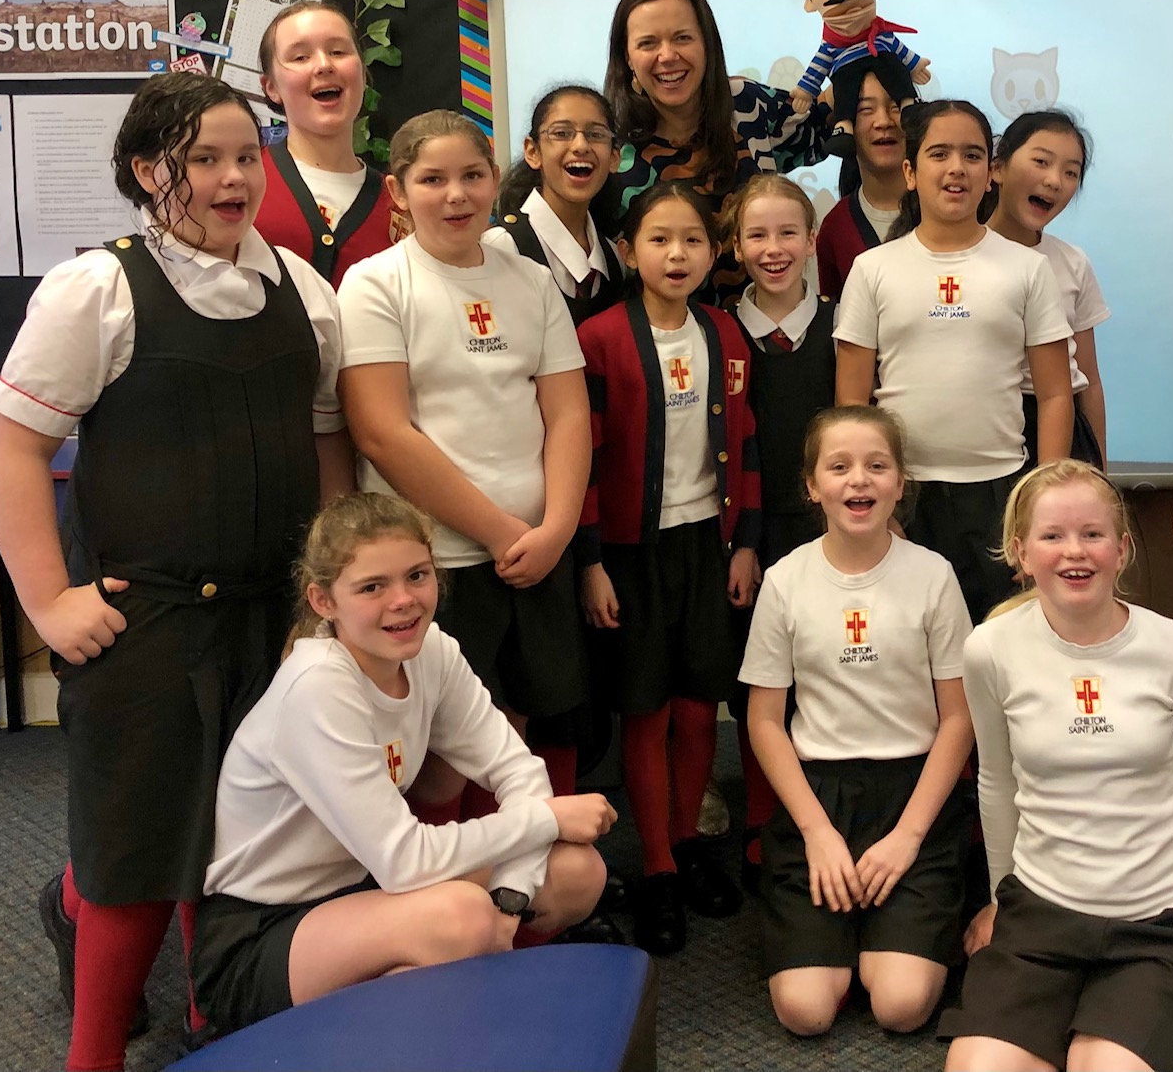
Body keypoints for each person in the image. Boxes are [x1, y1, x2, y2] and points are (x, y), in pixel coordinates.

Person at [0, 71, 351, 1071]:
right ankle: (94, 1051)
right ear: (150, 171)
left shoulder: (302, 290)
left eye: (246, 157)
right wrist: (48, 602)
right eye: (203, 159)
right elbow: (13, 446)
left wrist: (328, 596)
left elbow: (328, 442)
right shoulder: (95, 290)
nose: (234, 179)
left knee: (244, 836)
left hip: (271, 617)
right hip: (142, 619)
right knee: (137, 846)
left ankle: (209, 1015)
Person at [194, 492, 613, 1038]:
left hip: (365, 891)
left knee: (576, 874)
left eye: (417, 575)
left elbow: (519, 771)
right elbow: (406, 862)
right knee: (461, 918)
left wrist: (511, 898)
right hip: (263, 929)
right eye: (372, 587)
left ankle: (460, 1009)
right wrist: (545, 821)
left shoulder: (431, 649)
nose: (403, 601)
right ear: (323, 601)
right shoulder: (317, 688)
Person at [336, 110, 608, 946]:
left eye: (472, 176)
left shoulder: (527, 278)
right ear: (398, 191)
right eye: (432, 179)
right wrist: (498, 531)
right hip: (439, 566)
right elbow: (382, 432)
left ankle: (522, 919)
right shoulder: (376, 284)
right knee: (440, 759)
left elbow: (567, 414)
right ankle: (440, 925)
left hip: (536, 552)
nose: (455, 195)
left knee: (522, 730)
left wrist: (556, 527)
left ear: (496, 182)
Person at [941, 460, 1173, 1072]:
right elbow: (996, 783)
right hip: (1043, 915)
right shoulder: (990, 650)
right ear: (1021, 553)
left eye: (1093, 534)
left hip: (1159, 919)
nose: (1075, 551)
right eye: (1053, 536)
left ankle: (1166, 993)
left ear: (1122, 549)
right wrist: (1000, 899)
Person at [740, 406, 973, 1035]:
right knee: (805, 1011)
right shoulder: (785, 581)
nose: (859, 480)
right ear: (812, 487)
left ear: (900, 483)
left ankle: (881, 945)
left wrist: (908, 837)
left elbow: (959, 718)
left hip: (913, 797)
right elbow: (765, 722)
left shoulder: (933, 576)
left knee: (901, 1005)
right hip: (818, 798)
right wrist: (816, 832)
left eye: (877, 465)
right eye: (838, 467)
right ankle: (841, 951)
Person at [575, 180, 763, 954]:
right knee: (646, 711)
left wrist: (746, 540)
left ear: (714, 252)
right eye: (658, 239)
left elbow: (746, 441)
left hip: (706, 544)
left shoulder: (724, 333)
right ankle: (654, 862)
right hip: (631, 552)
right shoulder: (599, 339)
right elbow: (582, 459)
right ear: (627, 251)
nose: (675, 254)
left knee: (696, 708)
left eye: (691, 240)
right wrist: (589, 560)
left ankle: (687, 843)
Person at [834, 99, 1074, 622]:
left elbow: (1056, 394)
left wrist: (1042, 506)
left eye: (972, 155)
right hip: (902, 494)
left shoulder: (1028, 269)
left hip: (999, 492)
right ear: (910, 173)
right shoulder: (872, 269)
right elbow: (851, 404)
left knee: (997, 644)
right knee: (907, 645)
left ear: (990, 174)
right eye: (939, 154)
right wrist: (875, 502)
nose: (956, 168)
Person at [723, 174, 842, 889]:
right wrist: (744, 538)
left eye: (788, 232)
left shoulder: (842, 326)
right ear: (736, 246)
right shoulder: (717, 330)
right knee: (759, 680)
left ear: (812, 239)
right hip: (748, 532)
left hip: (829, 526)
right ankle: (762, 820)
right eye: (757, 234)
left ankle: (826, 812)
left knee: (829, 666)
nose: (774, 248)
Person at [596, 0, 832, 229]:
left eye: (682, 38)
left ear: (707, 44)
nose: (668, 56)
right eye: (648, 43)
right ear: (627, 57)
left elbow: (824, 120)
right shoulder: (609, 144)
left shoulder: (746, 104)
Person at [985, 108, 1111, 466]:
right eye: (1041, 161)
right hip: (989, 426)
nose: (1055, 181)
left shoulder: (1073, 262)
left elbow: (1089, 379)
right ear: (998, 168)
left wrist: (1099, 472)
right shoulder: (963, 257)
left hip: (1063, 427)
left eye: (1071, 172)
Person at [252, 0, 397, 287]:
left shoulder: (400, 203)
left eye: (338, 51)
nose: (323, 65)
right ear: (272, 87)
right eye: (300, 57)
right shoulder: (243, 185)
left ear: (362, 73)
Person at [488, 82, 624, 326]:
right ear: (533, 152)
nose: (581, 146)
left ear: (614, 158)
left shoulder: (615, 260)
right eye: (561, 133)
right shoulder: (501, 248)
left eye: (596, 135)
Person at [815, 62, 909, 298]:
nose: (883, 121)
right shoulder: (835, 227)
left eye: (896, 107)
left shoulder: (947, 209)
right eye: (865, 109)